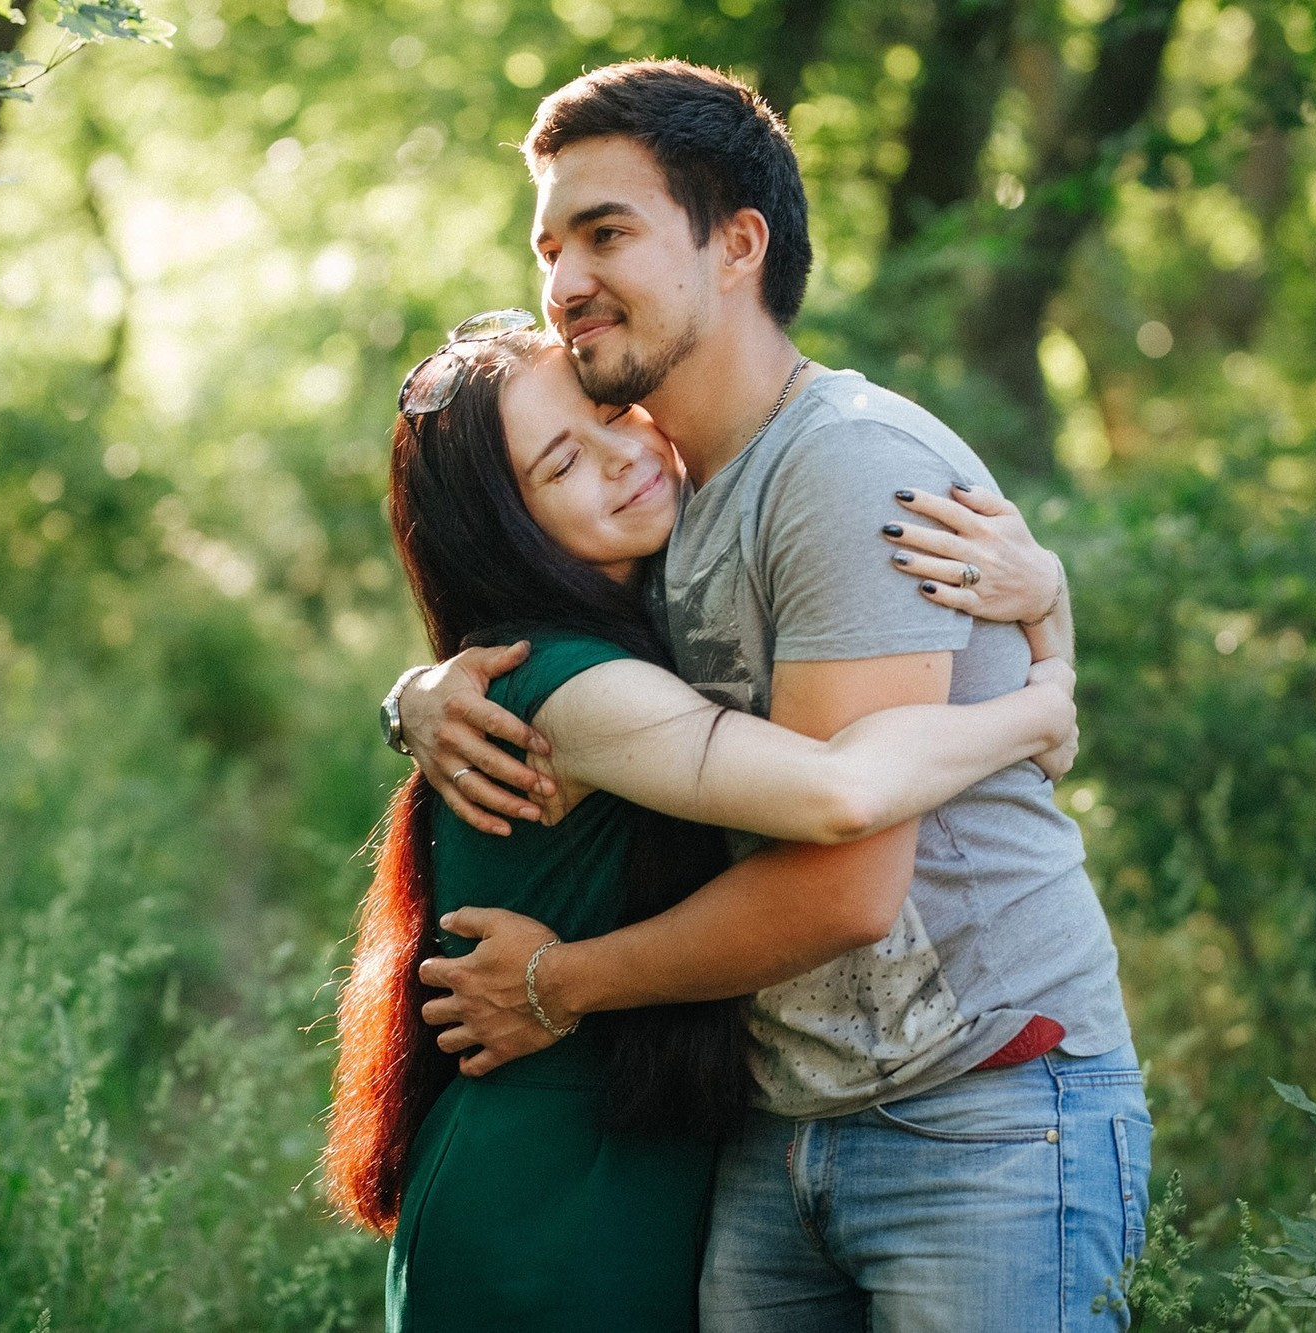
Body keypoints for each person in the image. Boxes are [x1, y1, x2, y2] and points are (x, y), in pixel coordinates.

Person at [391, 61, 1149, 1331]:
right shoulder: (668, 489)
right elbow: (563, 644)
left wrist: (559, 983)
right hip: (776, 1119)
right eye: (549, 244)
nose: (564, 278)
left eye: (606, 231)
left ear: (735, 243)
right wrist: (415, 694)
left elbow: (842, 881)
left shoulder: (843, 469)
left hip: (978, 1112)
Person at [327, 318, 1081, 1332]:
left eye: (610, 415)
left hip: (651, 1144)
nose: (622, 457)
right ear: (508, 529)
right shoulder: (563, 684)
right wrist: (1035, 704)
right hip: (555, 1191)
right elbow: (834, 795)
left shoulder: (660, 620)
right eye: (562, 464)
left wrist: (1046, 589)